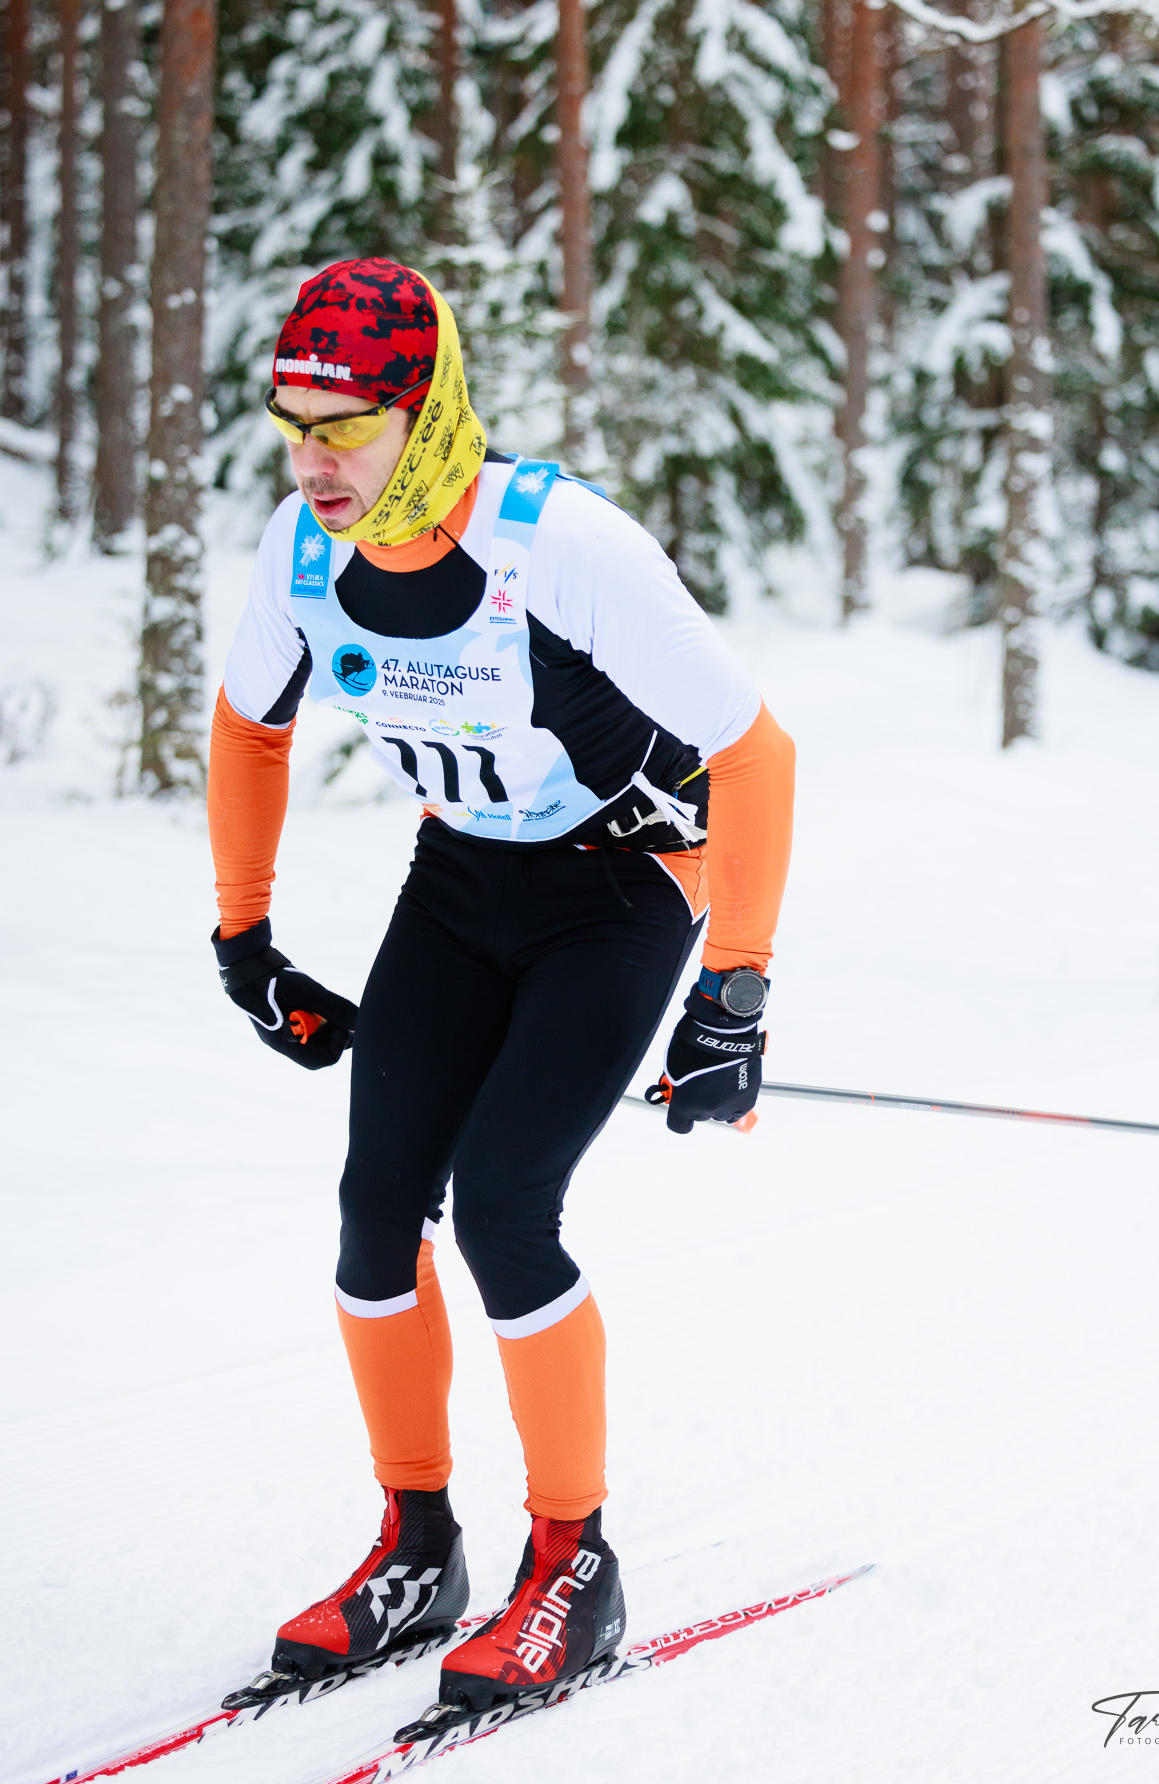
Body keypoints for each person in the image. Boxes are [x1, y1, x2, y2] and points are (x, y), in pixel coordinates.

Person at [208, 256, 795, 1723]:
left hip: (621, 888)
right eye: (293, 426)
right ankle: (418, 1550)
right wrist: (246, 942)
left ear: (424, 411)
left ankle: (572, 1565)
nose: (313, 461)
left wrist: (732, 991)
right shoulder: (303, 553)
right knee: (373, 1215)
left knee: (504, 1207)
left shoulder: (559, 544)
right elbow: (249, 728)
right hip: (464, 879)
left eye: (345, 426)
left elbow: (755, 752)